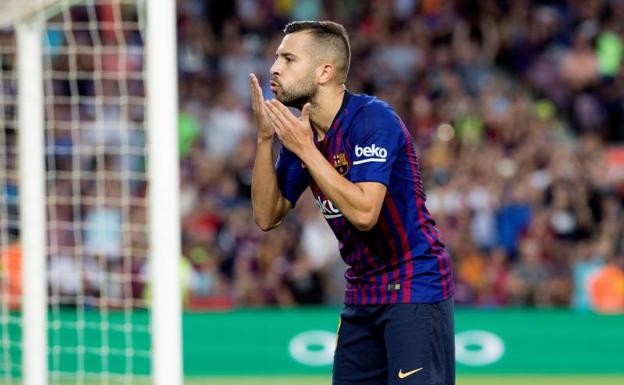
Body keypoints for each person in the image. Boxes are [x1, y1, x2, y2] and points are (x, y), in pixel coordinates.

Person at [250, 20, 455, 385]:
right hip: (361, 293)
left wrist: (306, 152)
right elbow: (267, 215)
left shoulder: (372, 120)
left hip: (413, 287)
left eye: (288, 58)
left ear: (324, 71)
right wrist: (267, 140)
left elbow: (364, 212)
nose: (274, 68)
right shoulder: (305, 134)